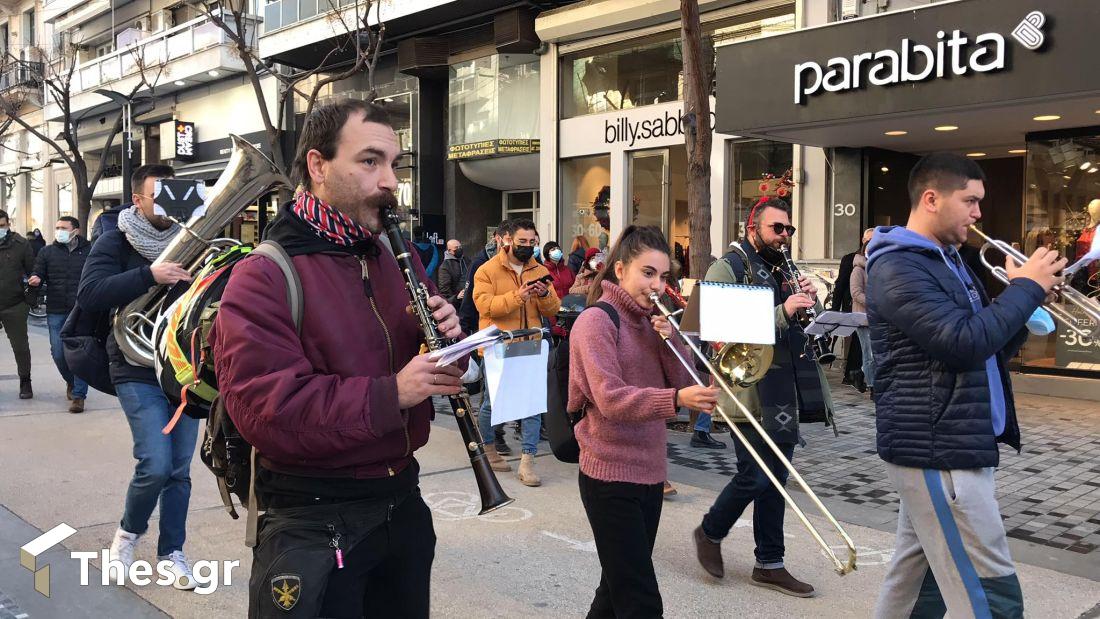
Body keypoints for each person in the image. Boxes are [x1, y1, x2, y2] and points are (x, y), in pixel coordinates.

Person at [210, 100, 463, 618]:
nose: (390, 180)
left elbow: (426, 366)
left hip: (401, 503)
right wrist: (394, 393)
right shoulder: (263, 275)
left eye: (395, 164)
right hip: (312, 518)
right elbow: (267, 410)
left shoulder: (399, 256)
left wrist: (451, 346)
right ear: (318, 166)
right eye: (370, 162)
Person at [869, 153, 1064, 618]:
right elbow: (959, 343)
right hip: (939, 450)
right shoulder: (898, 267)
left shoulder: (948, 261)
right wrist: (1024, 291)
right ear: (932, 199)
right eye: (970, 201)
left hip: (948, 442)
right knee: (991, 593)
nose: (979, 214)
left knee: (918, 584)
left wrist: (1025, 301)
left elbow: (983, 345)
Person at [569, 225, 717, 617]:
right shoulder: (596, 322)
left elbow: (688, 384)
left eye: (663, 276)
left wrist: (672, 343)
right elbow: (610, 399)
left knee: (614, 590)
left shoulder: (655, 323)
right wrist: (675, 398)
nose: (656, 285)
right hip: (609, 474)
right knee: (639, 598)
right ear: (620, 270)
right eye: (647, 273)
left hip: (650, 473)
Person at [692, 197, 833, 598]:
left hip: (783, 385)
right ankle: (710, 531)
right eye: (777, 228)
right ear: (753, 227)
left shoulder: (783, 269)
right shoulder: (729, 266)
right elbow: (714, 328)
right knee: (755, 474)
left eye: (789, 229)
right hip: (747, 389)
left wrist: (813, 304)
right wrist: (783, 310)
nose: (785, 236)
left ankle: (769, 563)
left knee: (777, 478)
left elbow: (802, 326)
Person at [78, 163, 201, 590]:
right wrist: (149, 275)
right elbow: (90, 294)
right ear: (137, 200)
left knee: (180, 470)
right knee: (155, 462)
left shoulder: (193, 240)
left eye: (176, 193)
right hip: (134, 365)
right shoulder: (115, 240)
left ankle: (172, 553)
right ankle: (127, 535)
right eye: (159, 194)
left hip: (183, 369)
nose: (171, 204)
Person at [473, 217, 560, 486]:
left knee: (531, 405)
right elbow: (486, 306)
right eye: (522, 242)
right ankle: (488, 447)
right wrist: (518, 296)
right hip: (498, 346)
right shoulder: (486, 270)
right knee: (492, 402)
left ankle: (528, 461)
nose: (527, 247)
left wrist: (544, 295)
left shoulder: (539, 270)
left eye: (532, 243)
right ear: (508, 240)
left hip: (531, 343)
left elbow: (553, 310)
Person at [458, 220, 515, 456]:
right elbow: (471, 299)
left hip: (514, 337)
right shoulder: (482, 263)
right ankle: (490, 436)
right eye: (511, 240)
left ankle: (493, 432)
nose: (515, 245)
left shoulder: (523, 263)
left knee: (504, 392)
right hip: (489, 334)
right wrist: (464, 330)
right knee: (490, 393)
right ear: (499, 238)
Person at [28, 216, 91, 412]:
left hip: (81, 310)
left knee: (80, 353)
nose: (59, 231)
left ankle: (79, 396)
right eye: (57, 227)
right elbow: (38, 270)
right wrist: (36, 278)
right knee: (58, 353)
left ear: (76, 230)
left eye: (63, 227)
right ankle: (71, 381)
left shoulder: (90, 251)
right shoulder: (47, 252)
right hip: (56, 309)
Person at [0, 209, 34, 399]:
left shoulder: (21, 244)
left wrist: (29, 300)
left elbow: (33, 273)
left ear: (8, 224)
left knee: (20, 346)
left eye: (2, 226)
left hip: (14, 304)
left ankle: (25, 380)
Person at [835, 228, 873, 390]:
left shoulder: (878, 264)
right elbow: (843, 287)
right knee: (862, 348)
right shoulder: (851, 261)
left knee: (866, 349)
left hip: (873, 314)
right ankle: (859, 377)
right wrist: (835, 309)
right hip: (857, 310)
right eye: (869, 240)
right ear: (863, 241)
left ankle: (858, 374)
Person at [849, 229, 874, 394]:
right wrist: (875, 303)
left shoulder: (876, 268)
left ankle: (858, 374)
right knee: (869, 353)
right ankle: (872, 386)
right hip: (863, 318)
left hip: (877, 317)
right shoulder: (858, 269)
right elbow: (856, 293)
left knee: (876, 353)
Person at [437, 238, 470, 310]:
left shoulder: (466, 260)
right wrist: (456, 297)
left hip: (469, 299)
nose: (459, 249)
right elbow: (444, 290)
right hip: (457, 304)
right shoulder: (445, 266)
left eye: (460, 247)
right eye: (456, 248)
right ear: (449, 251)